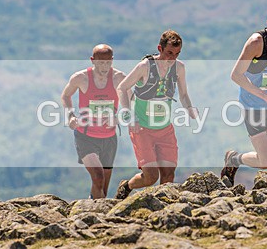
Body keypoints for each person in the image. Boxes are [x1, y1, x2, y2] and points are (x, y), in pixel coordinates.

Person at [220, 4, 267, 187]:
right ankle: (234, 159)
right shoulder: (256, 42)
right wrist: (265, 96)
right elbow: (236, 75)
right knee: (266, 161)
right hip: (253, 106)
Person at [115, 30, 197, 199]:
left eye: (176, 54)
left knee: (168, 175)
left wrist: (190, 108)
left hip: (165, 128)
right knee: (151, 177)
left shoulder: (179, 68)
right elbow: (122, 88)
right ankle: (127, 186)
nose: (172, 58)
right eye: (169, 53)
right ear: (160, 48)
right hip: (142, 129)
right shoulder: (145, 66)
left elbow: (183, 94)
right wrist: (129, 115)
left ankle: (162, 208)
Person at [61, 44, 126, 199]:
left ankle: (94, 209)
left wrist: (119, 117)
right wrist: (70, 115)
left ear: (112, 60)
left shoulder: (119, 78)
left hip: (109, 138)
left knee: (102, 187)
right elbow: (66, 95)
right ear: (92, 60)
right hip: (85, 136)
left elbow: (131, 103)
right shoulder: (81, 78)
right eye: (100, 62)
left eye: (108, 62)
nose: (104, 66)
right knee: (98, 177)